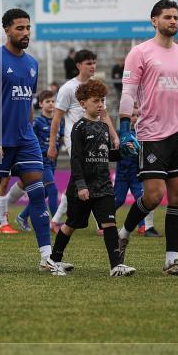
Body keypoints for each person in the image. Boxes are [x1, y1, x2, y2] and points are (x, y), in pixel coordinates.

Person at [116, 0, 178, 276]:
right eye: (168, 17)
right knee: (154, 196)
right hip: (152, 134)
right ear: (154, 21)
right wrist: (125, 128)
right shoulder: (140, 52)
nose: (173, 21)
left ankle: (172, 262)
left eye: (176, 17)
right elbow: (128, 92)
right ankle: (123, 234)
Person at [0, 8, 62, 273]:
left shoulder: (32, 64)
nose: (25, 32)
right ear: (7, 30)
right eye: (20, 28)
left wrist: (29, 129)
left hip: (25, 140)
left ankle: (46, 257)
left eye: (28, 28)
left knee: (38, 192)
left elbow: (27, 102)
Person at [48, 79, 136, 277]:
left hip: (103, 185)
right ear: (83, 104)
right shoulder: (79, 128)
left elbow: (105, 153)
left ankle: (116, 266)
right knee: (71, 224)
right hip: (83, 187)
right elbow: (76, 159)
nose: (100, 105)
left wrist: (123, 152)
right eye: (96, 101)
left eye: (102, 100)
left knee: (109, 223)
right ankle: (54, 260)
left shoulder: (104, 127)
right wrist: (81, 185)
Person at [48, 49, 120, 235]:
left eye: (94, 62)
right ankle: (101, 223)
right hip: (76, 140)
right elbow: (57, 119)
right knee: (87, 178)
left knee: (79, 181)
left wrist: (114, 135)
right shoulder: (67, 88)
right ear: (78, 65)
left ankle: (56, 220)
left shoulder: (97, 87)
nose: (93, 66)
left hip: (96, 139)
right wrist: (52, 145)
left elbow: (104, 114)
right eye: (89, 63)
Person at [14, 90, 63, 232]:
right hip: (42, 161)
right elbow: (30, 140)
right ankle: (55, 222)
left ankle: (22, 216)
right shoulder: (37, 122)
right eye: (47, 101)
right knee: (52, 190)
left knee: (44, 193)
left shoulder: (59, 121)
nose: (51, 104)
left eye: (53, 101)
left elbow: (61, 139)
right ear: (41, 104)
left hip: (53, 161)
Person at [113, 103, 148, 237]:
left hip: (136, 174)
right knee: (119, 200)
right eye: (132, 115)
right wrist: (122, 148)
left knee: (141, 198)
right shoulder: (120, 134)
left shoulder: (143, 134)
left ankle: (142, 226)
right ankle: (105, 222)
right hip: (122, 174)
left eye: (137, 115)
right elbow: (114, 152)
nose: (135, 118)